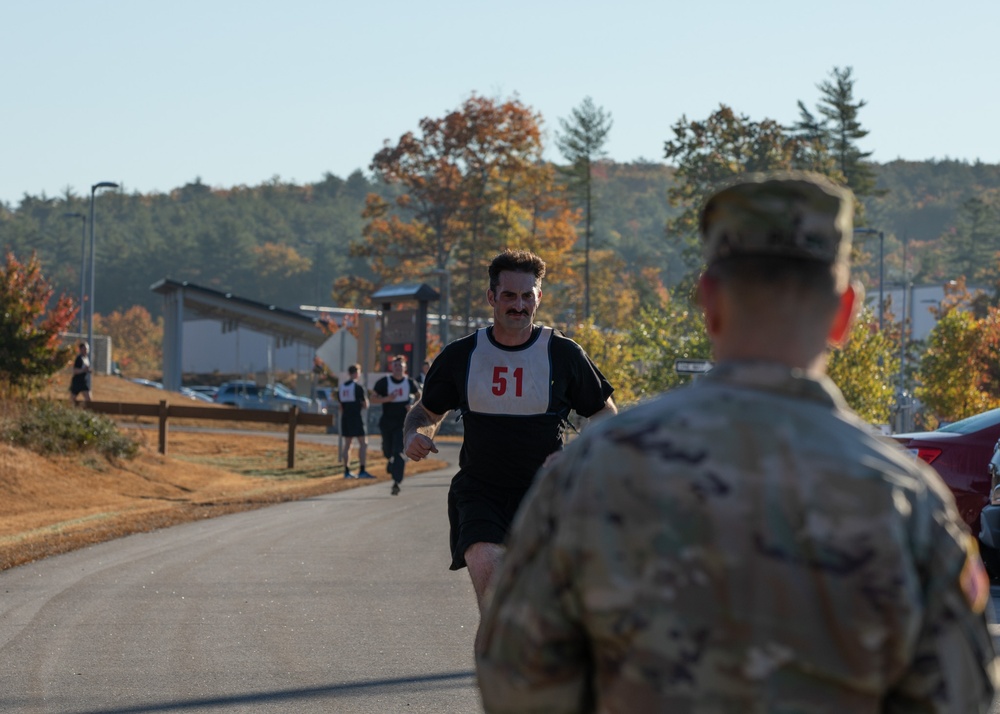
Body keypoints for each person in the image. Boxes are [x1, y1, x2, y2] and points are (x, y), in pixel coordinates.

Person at [476, 172, 1000, 712]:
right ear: (845, 313)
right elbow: (959, 698)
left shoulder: (593, 471)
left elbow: (516, 682)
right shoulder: (908, 500)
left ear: (709, 301)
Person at [404, 248, 616, 615]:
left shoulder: (563, 354)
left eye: (526, 296)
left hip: (545, 495)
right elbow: (424, 410)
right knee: (492, 580)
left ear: (538, 298)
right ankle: (497, 665)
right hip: (480, 491)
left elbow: (605, 414)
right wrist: (414, 434)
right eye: (509, 296)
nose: (518, 305)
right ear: (491, 297)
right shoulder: (463, 355)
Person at [371, 355, 422, 495]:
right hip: (387, 422)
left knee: (399, 452)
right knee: (387, 450)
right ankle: (390, 461)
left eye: (400, 366)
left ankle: (396, 482)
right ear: (392, 368)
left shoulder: (410, 383)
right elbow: (372, 399)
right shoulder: (384, 382)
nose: (398, 368)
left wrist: (412, 406)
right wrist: (387, 398)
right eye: (395, 366)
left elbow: (420, 398)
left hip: (403, 424)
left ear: (405, 368)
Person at [337, 364, 372, 479]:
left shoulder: (342, 387)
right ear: (357, 373)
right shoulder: (358, 387)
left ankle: (346, 471)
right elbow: (365, 404)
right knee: (363, 443)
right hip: (356, 417)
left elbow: (340, 406)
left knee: (348, 444)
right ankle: (362, 470)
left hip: (345, 418)